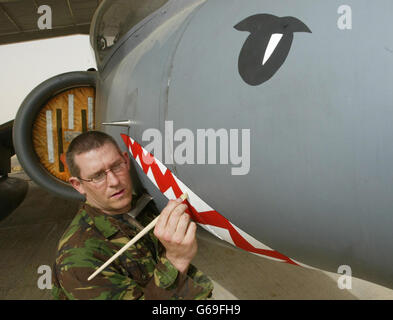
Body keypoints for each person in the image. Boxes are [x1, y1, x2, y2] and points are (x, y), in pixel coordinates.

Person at [52, 131, 213, 300]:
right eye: (98, 176)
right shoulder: (79, 259)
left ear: (126, 160)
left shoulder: (142, 206)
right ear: (78, 185)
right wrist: (176, 259)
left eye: (116, 166)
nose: (114, 181)